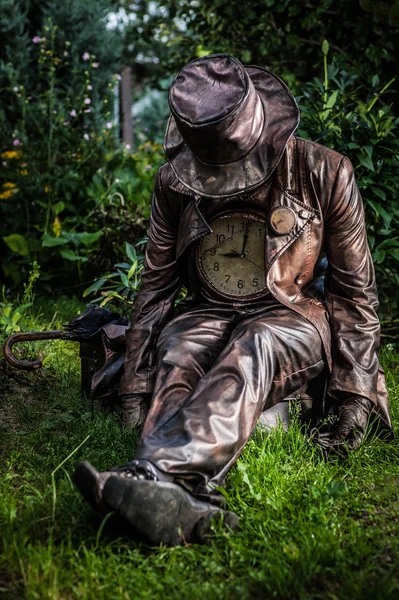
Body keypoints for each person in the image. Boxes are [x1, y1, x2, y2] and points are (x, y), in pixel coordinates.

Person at [73, 54, 392, 547]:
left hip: (290, 315)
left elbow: (355, 294)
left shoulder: (326, 171)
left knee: (255, 342)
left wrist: (356, 398)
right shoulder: (173, 182)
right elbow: (156, 285)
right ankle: (183, 503)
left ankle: (156, 473)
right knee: (178, 346)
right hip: (207, 307)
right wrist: (135, 387)